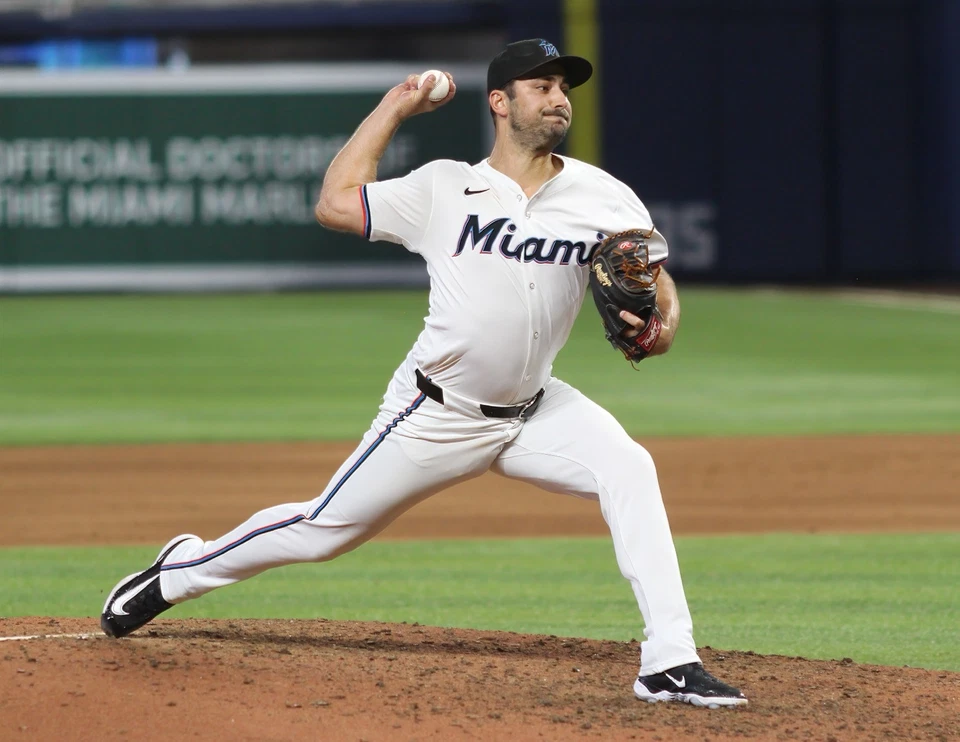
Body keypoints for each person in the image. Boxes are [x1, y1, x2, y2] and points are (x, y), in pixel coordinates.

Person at [101, 38, 747, 708]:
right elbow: (334, 203)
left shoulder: (602, 195)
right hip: (436, 411)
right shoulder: (445, 187)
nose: (558, 99)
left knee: (629, 467)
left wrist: (663, 321)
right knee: (323, 529)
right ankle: (181, 570)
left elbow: (651, 278)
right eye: (541, 86)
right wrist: (394, 108)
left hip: (535, 410)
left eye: (563, 87)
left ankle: (669, 661)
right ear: (500, 102)